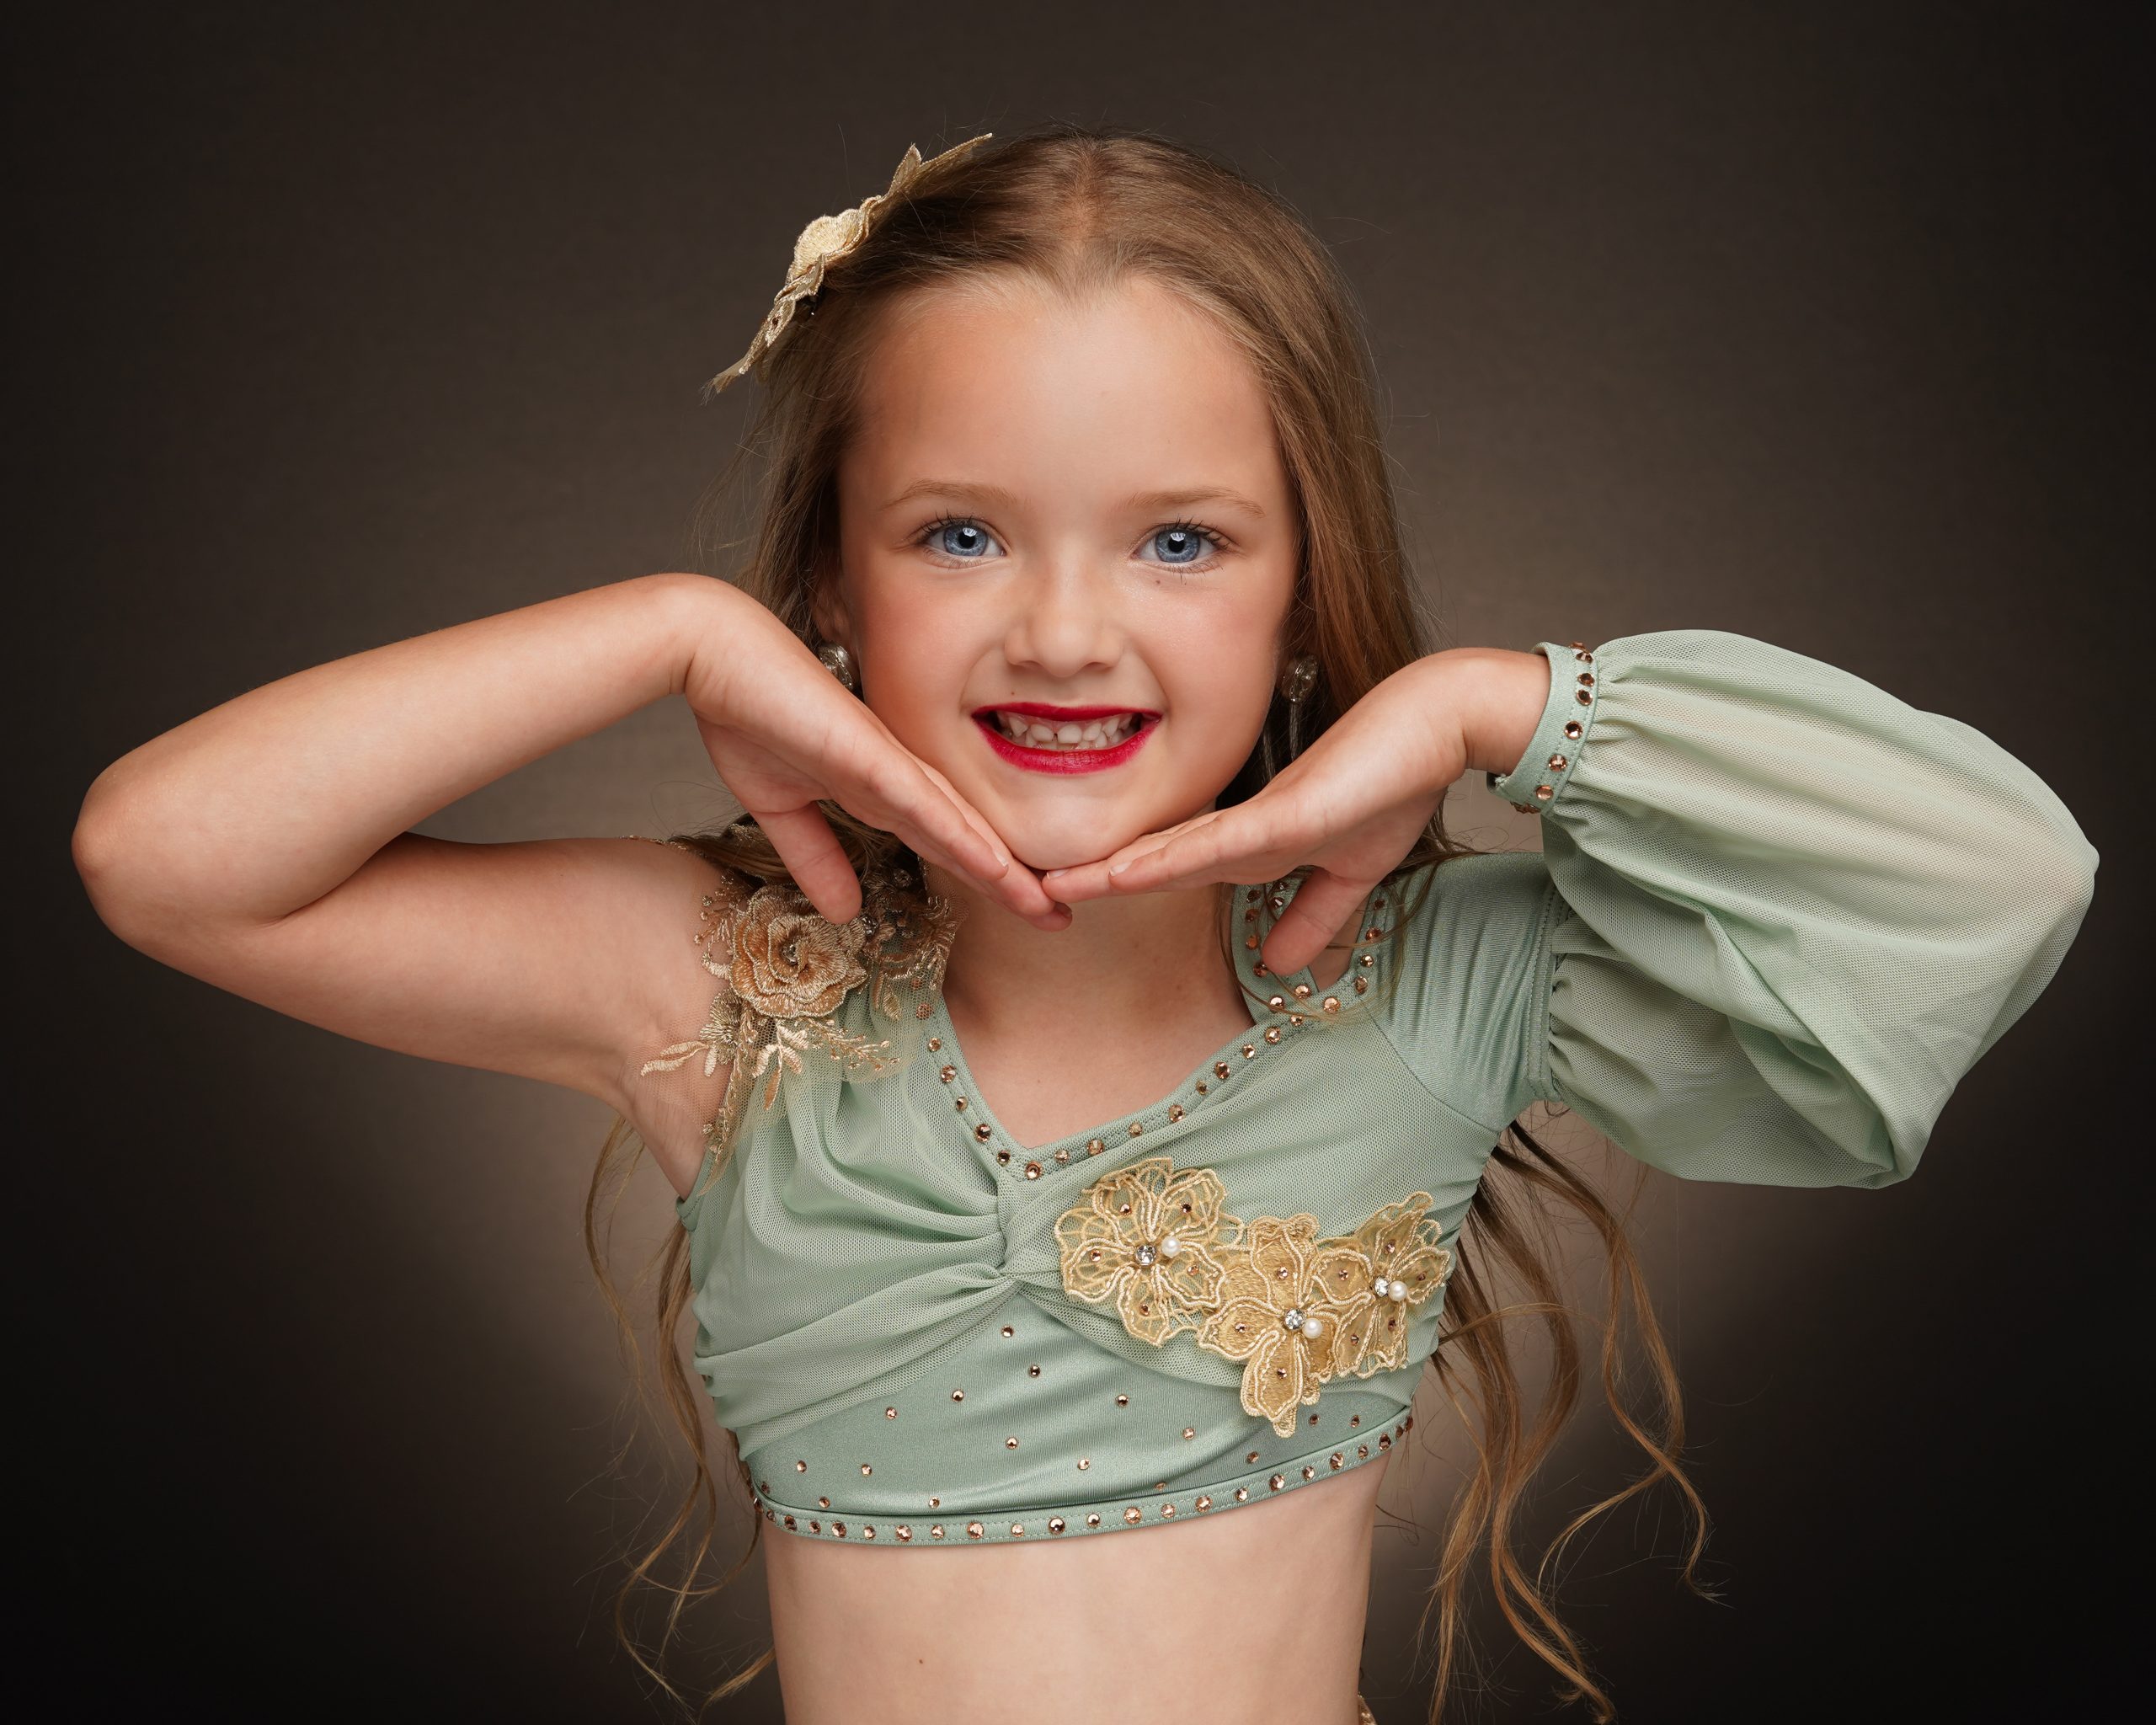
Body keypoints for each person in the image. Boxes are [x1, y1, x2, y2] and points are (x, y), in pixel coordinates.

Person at [71, 125, 2099, 1725]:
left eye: (1179, 540)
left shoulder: (1435, 981)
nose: (1061, 629)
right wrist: (661, 632)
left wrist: (1501, 706)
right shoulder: (715, 983)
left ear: (1302, 596)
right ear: (833, 585)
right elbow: (163, 857)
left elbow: (1997, 881)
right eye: (958, 533)